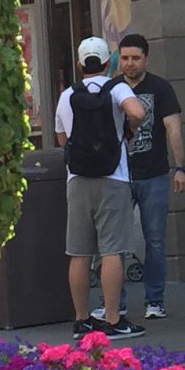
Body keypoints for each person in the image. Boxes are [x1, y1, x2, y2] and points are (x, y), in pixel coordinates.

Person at [54, 36, 145, 340]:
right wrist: (127, 127)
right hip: (113, 178)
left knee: (78, 252)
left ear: (81, 64)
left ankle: (81, 319)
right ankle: (113, 319)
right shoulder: (117, 88)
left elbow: (62, 139)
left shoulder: (67, 95)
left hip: (77, 180)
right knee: (111, 251)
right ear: (109, 62)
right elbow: (138, 113)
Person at [116, 33, 185, 322]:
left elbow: (174, 129)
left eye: (135, 58)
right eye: (124, 58)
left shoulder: (160, 88)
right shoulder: (112, 88)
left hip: (154, 174)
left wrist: (179, 167)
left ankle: (154, 300)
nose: (129, 63)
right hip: (118, 175)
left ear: (146, 58)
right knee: (115, 242)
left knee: (155, 240)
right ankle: (115, 302)